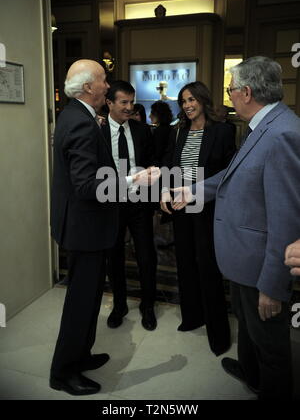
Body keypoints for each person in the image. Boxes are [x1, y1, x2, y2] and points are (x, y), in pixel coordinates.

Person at [170, 56, 300, 400]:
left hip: (262, 267)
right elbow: (233, 177)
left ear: (245, 91)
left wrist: (273, 285)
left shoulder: (282, 134)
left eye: (230, 90)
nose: (228, 96)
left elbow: (287, 220)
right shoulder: (264, 125)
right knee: (247, 326)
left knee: (269, 343)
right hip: (244, 262)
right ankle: (249, 371)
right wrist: (192, 191)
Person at [50, 61, 159, 396]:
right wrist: (132, 179)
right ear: (88, 88)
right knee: (81, 304)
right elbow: (86, 185)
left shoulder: (76, 115)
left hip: (86, 226)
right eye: (103, 79)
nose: (106, 84)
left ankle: (80, 356)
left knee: (91, 298)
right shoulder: (83, 123)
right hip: (86, 228)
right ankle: (63, 372)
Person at [160, 82, 236, 356]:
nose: (187, 105)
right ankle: (192, 317)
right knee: (185, 262)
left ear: (203, 100)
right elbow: (169, 163)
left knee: (207, 266)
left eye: (191, 99)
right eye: (183, 101)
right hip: (181, 206)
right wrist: (165, 191)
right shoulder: (178, 130)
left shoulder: (223, 131)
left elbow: (228, 172)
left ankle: (218, 334)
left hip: (206, 207)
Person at [103, 80, 158, 331]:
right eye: (123, 102)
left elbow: (151, 162)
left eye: (131, 102)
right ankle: (120, 305)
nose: (129, 107)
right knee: (113, 257)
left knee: (146, 256)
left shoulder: (141, 130)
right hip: (111, 203)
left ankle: (148, 306)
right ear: (109, 103)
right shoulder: (98, 132)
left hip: (139, 202)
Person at [150, 100, 173, 167]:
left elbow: (158, 154)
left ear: (159, 114)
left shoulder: (159, 131)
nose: (150, 116)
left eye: (152, 113)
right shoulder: (171, 129)